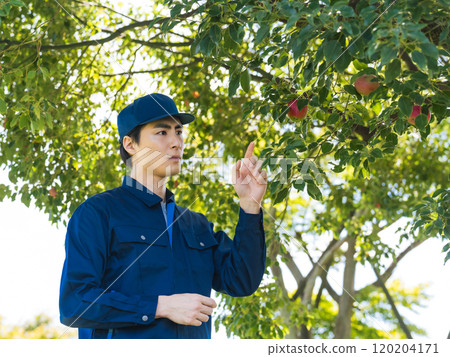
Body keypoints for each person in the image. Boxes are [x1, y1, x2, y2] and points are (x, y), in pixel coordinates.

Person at [59, 93, 268, 339]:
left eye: (179, 132)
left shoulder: (196, 224)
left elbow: (241, 280)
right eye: (162, 132)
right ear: (130, 144)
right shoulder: (97, 213)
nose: (176, 142)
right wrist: (160, 307)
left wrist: (250, 205)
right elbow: (75, 303)